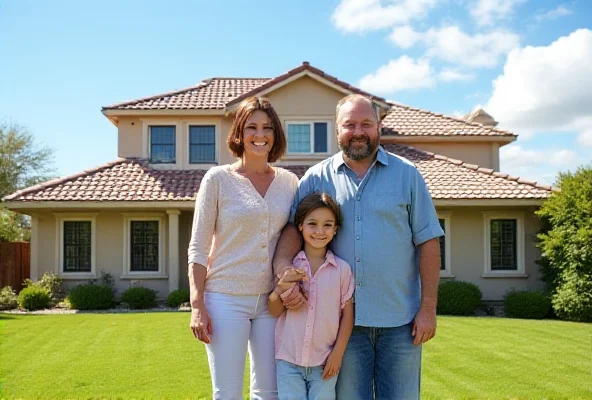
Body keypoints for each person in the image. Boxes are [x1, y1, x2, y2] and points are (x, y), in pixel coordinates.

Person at [273, 94, 444, 399]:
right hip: (342, 326)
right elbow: (291, 228)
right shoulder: (315, 178)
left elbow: (428, 242)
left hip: (401, 321)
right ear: (337, 129)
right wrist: (284, 269)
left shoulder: (408, 175)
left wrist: (428, 309)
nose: (358, 131)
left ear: (379, 126)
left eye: (366, 123)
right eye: (349, 124)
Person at [188, 96, 298, 399]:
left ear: (276, 135)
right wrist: (197, 306)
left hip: (271, 302)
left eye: (267, 128)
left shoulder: (290, 183)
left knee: (270, 392)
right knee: (228, 393)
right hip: (225, 299)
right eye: (251, 127)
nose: (259, 135)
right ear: (239, 133)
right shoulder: (218, 179)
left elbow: (294, 233)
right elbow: (198, 247)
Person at [268, 193, 354, 400]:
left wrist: (337, 354)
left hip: (324, 362)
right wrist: (280, 289)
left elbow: (348, 317)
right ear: (300, 226)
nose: (319, 231)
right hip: (289, 361)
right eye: (312, 224)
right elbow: (274, 310)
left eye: (327, 225)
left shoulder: (342, 270)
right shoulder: (291, 267)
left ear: (336, 229)